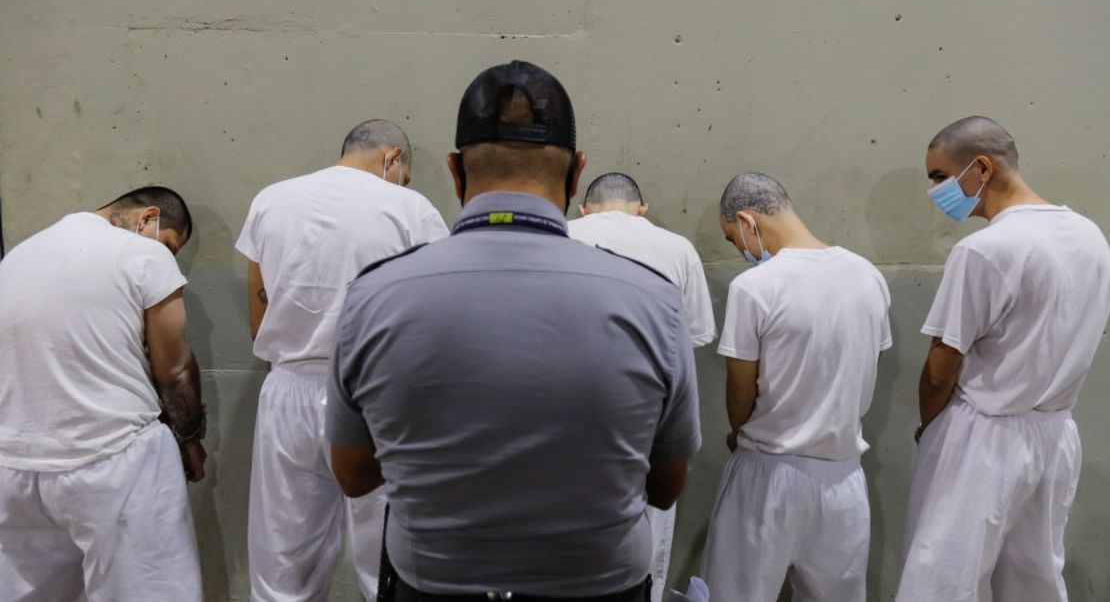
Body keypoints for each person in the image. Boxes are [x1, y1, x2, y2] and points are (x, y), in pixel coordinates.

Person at [326, 60, 701, 601]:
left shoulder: (376, 296)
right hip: (601, 587)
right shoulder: (653, 301)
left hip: (431, 587)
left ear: (455, 172)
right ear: (577, 175)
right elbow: (666, 487)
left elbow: (355, 476)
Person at [896, 116, 1110, 602]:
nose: (934, 190)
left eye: (938, 176)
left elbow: (941, 364)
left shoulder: (984, 250)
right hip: (1055, 433)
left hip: (984, 435)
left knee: (941, 579)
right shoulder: (1091, 236)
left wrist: (931, 429)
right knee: (1033, 580)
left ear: (982, 168)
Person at [236, 120, 448, 601]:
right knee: (387, 561)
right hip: (377, 392)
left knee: (282, 560)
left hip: (288, 387)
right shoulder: (410, 208)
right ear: (393, 159)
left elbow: (258, 313)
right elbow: (433, 314)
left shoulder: (271, 200)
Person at [0, 186, 206, 602]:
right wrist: (190, 439)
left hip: (15, 464)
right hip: (114, 459)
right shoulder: (143, 254)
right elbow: (175, 369)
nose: (168, 256)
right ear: (148, 218)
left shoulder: (17, 257)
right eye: (170, 245)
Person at [703, 172, 891, 602]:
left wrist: (738, 432)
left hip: (768, 473)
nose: (739, 251)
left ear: (748, 222)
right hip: (842, 478)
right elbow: (870, 362)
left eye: (732, 238)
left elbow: (740, 391)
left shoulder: (754, 287)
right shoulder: (867, 276)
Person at [568, 171, 716, 600]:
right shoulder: (677, 248)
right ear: (642, 209)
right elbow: (692, 340)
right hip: (648, 425)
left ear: (584, 207)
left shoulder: (558, 235)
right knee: (647, 550)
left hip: (564, 422)